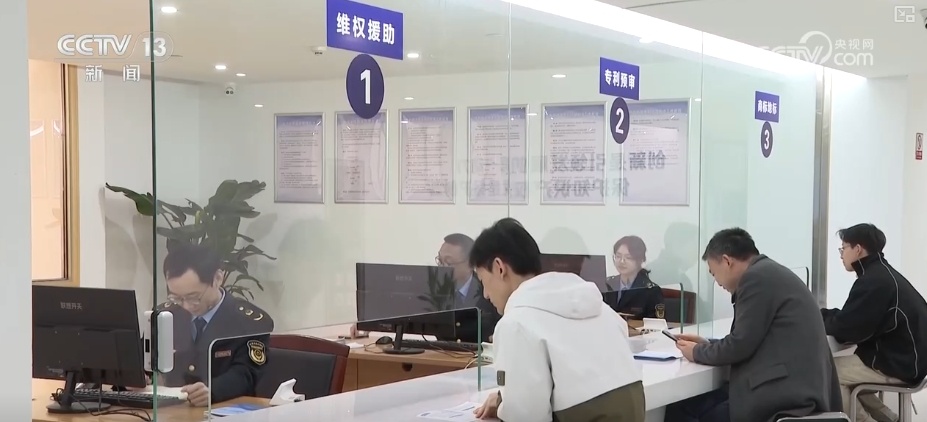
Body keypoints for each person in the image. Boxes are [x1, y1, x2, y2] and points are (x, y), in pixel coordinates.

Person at [470, 218, 645, 421]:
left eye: (483, 281)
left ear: (499, 268)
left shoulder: (516, 323)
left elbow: (526, 415)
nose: (485, 294)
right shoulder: (596, 305)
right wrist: (504, 400)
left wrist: (506, 407)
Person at [667, 228, 841, 422]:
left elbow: (740, 345)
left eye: (713, 273)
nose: (716, 282)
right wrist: (707, 345)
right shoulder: (769, 272)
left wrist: (697, 352)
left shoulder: (756, 278)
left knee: (680, 409)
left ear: (727, 261)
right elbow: (751, 338)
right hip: (799, 389)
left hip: (784, 398)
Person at [822, 223, 927, 422]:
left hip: (902, 363)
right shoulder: (882, 274)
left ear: (858, 249)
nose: (841, 255)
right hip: (909, 360)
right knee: (847, 373)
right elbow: (854, 317)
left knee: (828, 372)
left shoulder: (873, 281)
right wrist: (826, 315)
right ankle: (891, 419)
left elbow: (848, 330)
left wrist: (817, 318)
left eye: (843, 248)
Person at [156, 242, 274, 406]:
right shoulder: (167, 315)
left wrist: (212, 391)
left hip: (225, 408)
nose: (186, 305)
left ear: (218, 278)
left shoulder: (248, 322)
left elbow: (247, 373)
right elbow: (145, 357)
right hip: (173, 410)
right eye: (176, 297)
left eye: (193, 297)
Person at [436, 233, 501, 342]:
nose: (442, 268)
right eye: (440, 261)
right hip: (440, 351)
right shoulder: (434, 290)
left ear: (470, 264)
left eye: (448, 262)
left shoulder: (489, 289)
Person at [605, 235, 664, 319]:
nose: (622, 261)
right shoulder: (608, 284)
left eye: (628, 257)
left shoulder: (651, 291)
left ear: (640, 260)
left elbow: (656, 322)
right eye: (618, 256)